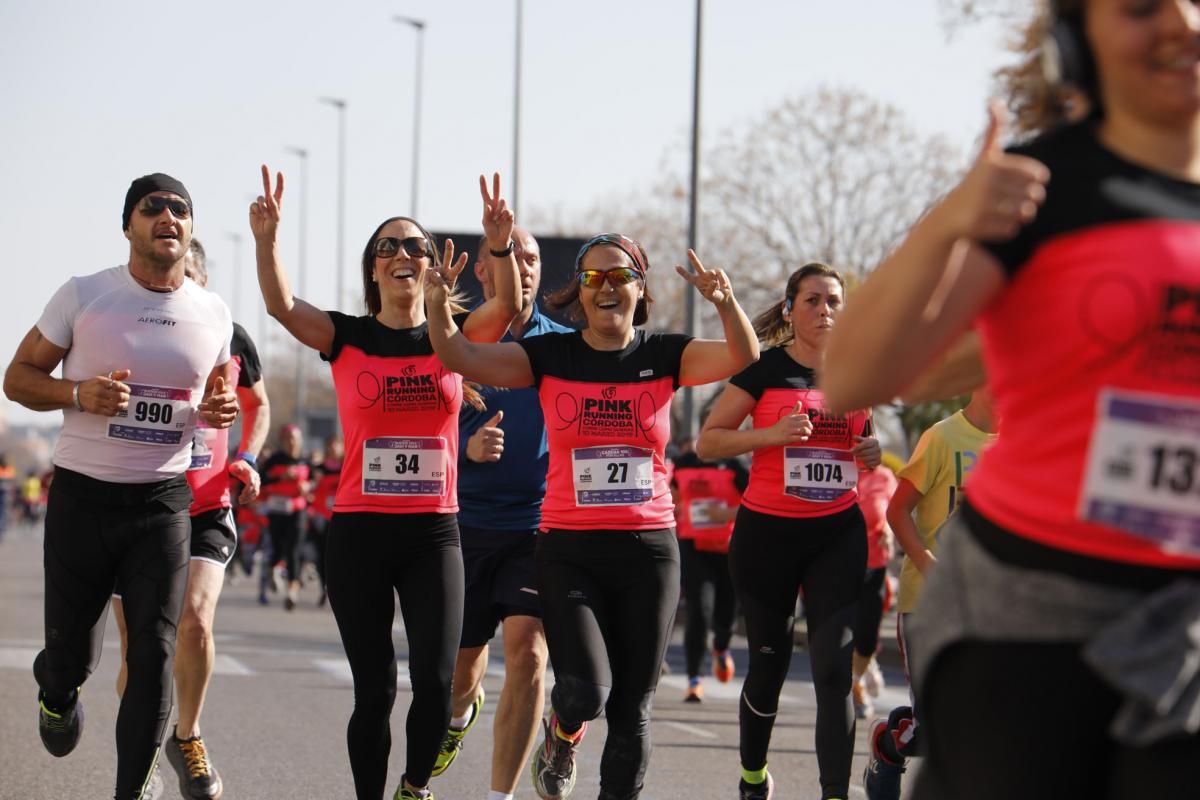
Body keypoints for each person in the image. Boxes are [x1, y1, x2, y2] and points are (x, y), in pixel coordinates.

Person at [822, 2, 1200, 796]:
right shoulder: (1043, 187)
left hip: (1182, 618)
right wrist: (948, 225)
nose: (1183, 26)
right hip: (1028, 610)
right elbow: (858, 378)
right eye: (1140, 7)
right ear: (1076, 39)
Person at [426, 233, 758, 800]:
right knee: (585, 693)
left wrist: (725, 301)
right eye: (593, 277)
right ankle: (563, 730)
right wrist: (437, 308)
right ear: (579, 291)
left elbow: (744, 357)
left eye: (619, 276)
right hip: (569, 549)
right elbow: (459, 357)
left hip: (649, 550)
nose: (607, 286)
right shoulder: (552, 357)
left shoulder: (663, 355)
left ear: (639, 287)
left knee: (634, 710)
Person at [250, 165, 521, 800]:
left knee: (434, 682)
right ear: (374, 270)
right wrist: (268, 240)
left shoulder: (450, 338)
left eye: (416, 246)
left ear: (431, 266)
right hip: (361, 535)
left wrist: (499, 245)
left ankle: (414, 788)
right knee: (373, 690)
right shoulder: (348, 338)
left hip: (434, 533)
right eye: (389, 247)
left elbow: (505, 305)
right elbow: (282, 306)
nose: (404, 253)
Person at [3, 173, 238, 800]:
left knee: (156, 654)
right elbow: (17, 378)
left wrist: (218, 412)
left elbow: (215, 397)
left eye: (181, 209)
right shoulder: (84, 296)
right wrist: (78, 393)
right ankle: (57, 691)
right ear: (128, 226)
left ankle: (130, 791)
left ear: (190, 230)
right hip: (83, 495)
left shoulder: (213, 312)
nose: (168, 216)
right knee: (70, 660)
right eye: (152, 207)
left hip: (162, 502)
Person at [697, 262, 882, 800]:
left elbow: (862, 441)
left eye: (834, 302)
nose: (826, 311)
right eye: (813, 301)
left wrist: (869, 451)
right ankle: (753, 776)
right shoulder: (764, 369)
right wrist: (772, 434)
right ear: (789, 309)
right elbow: (710, 441)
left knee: (832, 669)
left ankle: (833, 793)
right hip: (768, 539)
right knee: (768, 669)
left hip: (836, 536)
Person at [110, 237, 270, 800]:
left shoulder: (228, 332)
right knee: (140, 644)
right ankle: (143, 751)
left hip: (206, 504)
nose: (186, 287)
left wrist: (246, 456)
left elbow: (259, 403)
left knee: (196, 621)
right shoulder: (134, 327)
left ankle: (187, 734)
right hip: (139, 501)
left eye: (193, 276)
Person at [433, 228, 572, 800]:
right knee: (462, 674)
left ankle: (500, 795)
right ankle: (460, 716)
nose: (526, 268)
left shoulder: (564, 348)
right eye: (513, 258)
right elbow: (417, 422)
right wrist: (463, 448)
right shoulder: (458, 342)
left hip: (537, 528)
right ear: (485, 273)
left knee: (531, 654)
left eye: (534, 259)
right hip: (465, 525)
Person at [861, 390, 996, 800]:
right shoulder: (942, 437)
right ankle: (889, 746)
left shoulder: (1022, 444)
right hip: (929, 603)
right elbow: (897, 510)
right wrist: (926, 561)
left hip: (991, 606)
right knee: (933, 730)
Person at [670, 436, 748, 703]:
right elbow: (671, 493)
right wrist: (675, 504)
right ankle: (694, 680)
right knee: (698, 612)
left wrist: (724, 515)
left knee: (726, 613)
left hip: (729, 550)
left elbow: (755, 503)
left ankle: (721, 647)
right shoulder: (685, 464)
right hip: (694, 546)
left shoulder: (736, 468)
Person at [851, 462, 898, 721]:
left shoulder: (884, 477)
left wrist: (890, 532)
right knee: (845, 630)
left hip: (875, 564)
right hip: (841, 565)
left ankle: (866, 663)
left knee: (867, 635)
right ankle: (856, 685)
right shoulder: (840, 466)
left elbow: (895, 511)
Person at [258, 423, 311, 610]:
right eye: (288, 439)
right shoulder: (274, 460)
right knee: (278, 545)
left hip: (298, 510)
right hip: (277, 510)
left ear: (300, 441)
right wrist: (282, 478)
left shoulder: (306, 461)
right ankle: (274, 569)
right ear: (283, 441)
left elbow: (314, 484)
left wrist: (308, 488)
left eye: (295, 439)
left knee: (294, 549)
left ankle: (292, 591)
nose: (292, 443)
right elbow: (261, 480)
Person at [308, 433, 344, 607]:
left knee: (341, 555)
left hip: (342, 515)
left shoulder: (347, 466)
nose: (332, 448)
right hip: (322, 516)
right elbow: (310, 489)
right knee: (322, 555)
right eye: (329, 445)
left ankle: (339, 588)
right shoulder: (319, 469)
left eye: (335, 445)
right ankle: (324, 587)